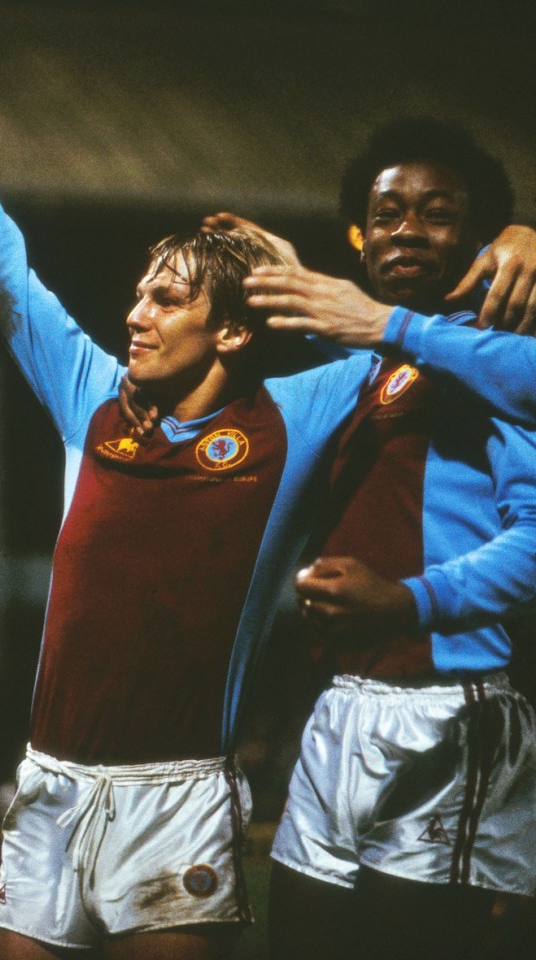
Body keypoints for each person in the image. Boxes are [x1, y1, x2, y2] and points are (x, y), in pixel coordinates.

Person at [0, 30, 536, 960]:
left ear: (232, 333)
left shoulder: (306, 407)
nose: (133, 315)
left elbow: (413, 339)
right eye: (139, 295)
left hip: (189, 787)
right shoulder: (89, 398)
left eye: (165, 300)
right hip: (54, 787)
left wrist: (517, 239)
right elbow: (2, 274)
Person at [237, 119, 536, 960]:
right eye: (388, 212)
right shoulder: (378, 364)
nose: (407, 228)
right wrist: (283, 275)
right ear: (359, 239)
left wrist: (409, 600)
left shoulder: (496, 355)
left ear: (481, 240)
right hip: (341, 704)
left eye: (437, 213)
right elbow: (356, 334)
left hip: (451, 706)